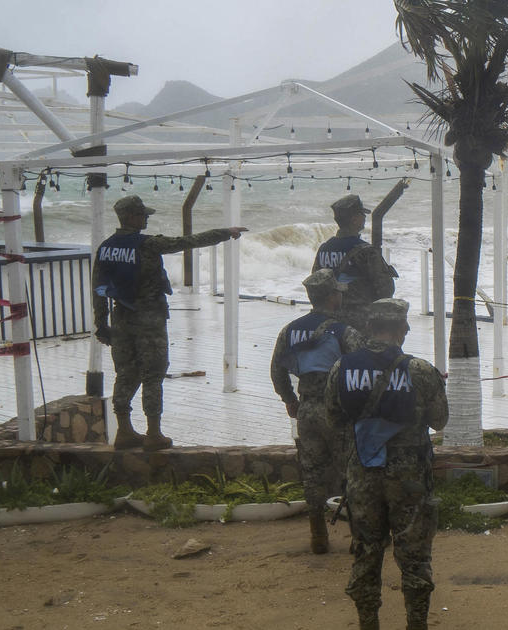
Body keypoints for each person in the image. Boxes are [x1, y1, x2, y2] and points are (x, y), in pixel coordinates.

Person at [325, 298, 447, 630]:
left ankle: (368, 623)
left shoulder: (342, 368)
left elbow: (334, 418)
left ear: (369, 328)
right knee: (414, 555)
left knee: (366, 551)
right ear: (402, 329)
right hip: (410, 477)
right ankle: (416, 624)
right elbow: (440, 421)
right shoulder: (419, 370)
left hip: (362, 473)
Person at [93, 195, 246, 451]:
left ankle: (124, 430)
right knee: (153, 373)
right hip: (149, 319)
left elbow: (98, 288)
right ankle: (153, 433)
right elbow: (188, 242)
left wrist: (101, 323)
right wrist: (225, 232)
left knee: (125, 373)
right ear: (131, 216)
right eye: (143, 215)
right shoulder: (147, 245)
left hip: (120, 318)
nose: (146, 219)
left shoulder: (106, 247)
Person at [269, 268, 364, 554]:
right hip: (338, 411)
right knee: (352, 472)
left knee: (312, 474)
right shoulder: (343, 330)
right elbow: (361, 367)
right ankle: (359, 537)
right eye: (338, 292)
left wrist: (289, 399)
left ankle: (318, 536)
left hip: (306, 409)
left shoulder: (290, 330)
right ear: (332, 297)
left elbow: (277, 370)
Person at [312, 194, 397, 331]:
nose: (364, 218)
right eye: (362, 214)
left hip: (329, 321)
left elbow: (315, 285)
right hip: (360, 322)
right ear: (354, 220)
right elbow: (385, 290)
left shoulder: (324, 249)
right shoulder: (366, 251)